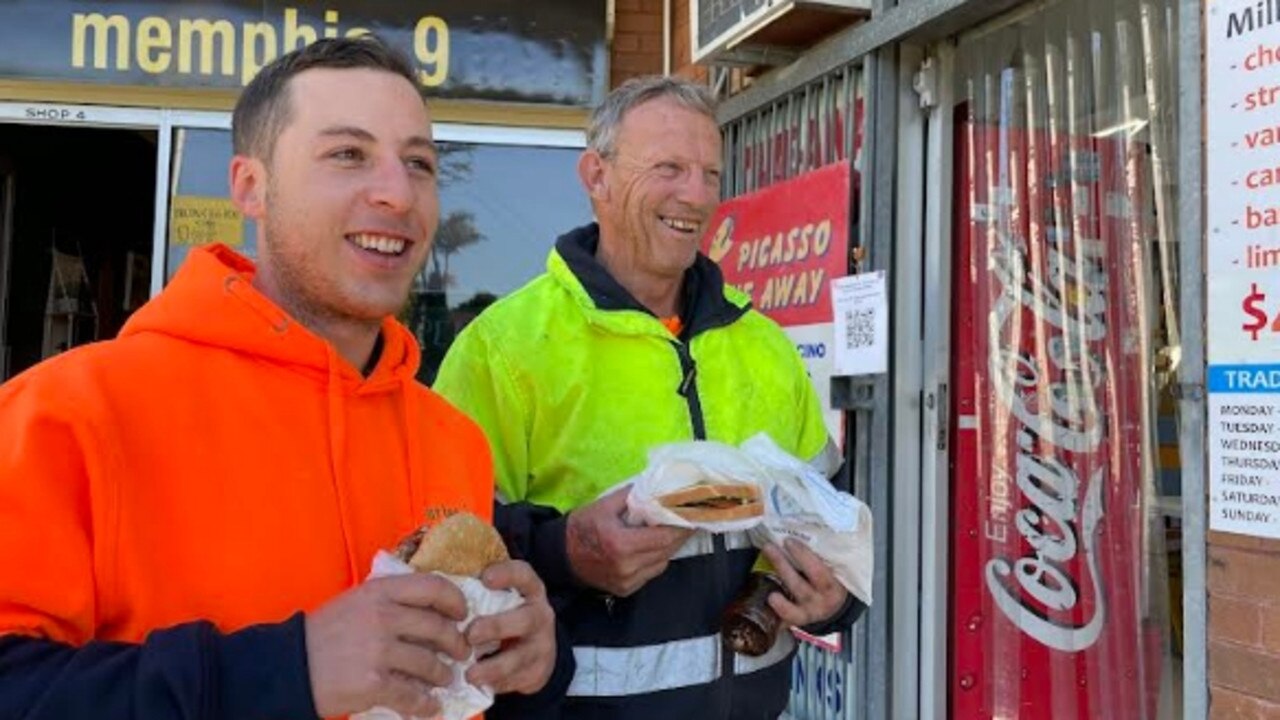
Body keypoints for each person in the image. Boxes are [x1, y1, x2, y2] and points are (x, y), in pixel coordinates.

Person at [0, 36, 569, 719]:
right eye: (348, 154)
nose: (397, 192)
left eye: (419, 163)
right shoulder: (69, 413)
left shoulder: (454, 440)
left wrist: (531, 665)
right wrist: (288, 668)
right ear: (251, 187)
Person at [433, 75, 866, 719]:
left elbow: (831, 515)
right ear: (596, 175)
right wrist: (567, 555)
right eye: (669, 167)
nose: (695, 195)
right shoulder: (502, 348)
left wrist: (835, 599)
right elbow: (440, 550)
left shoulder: (765, 345)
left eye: (710, 173)